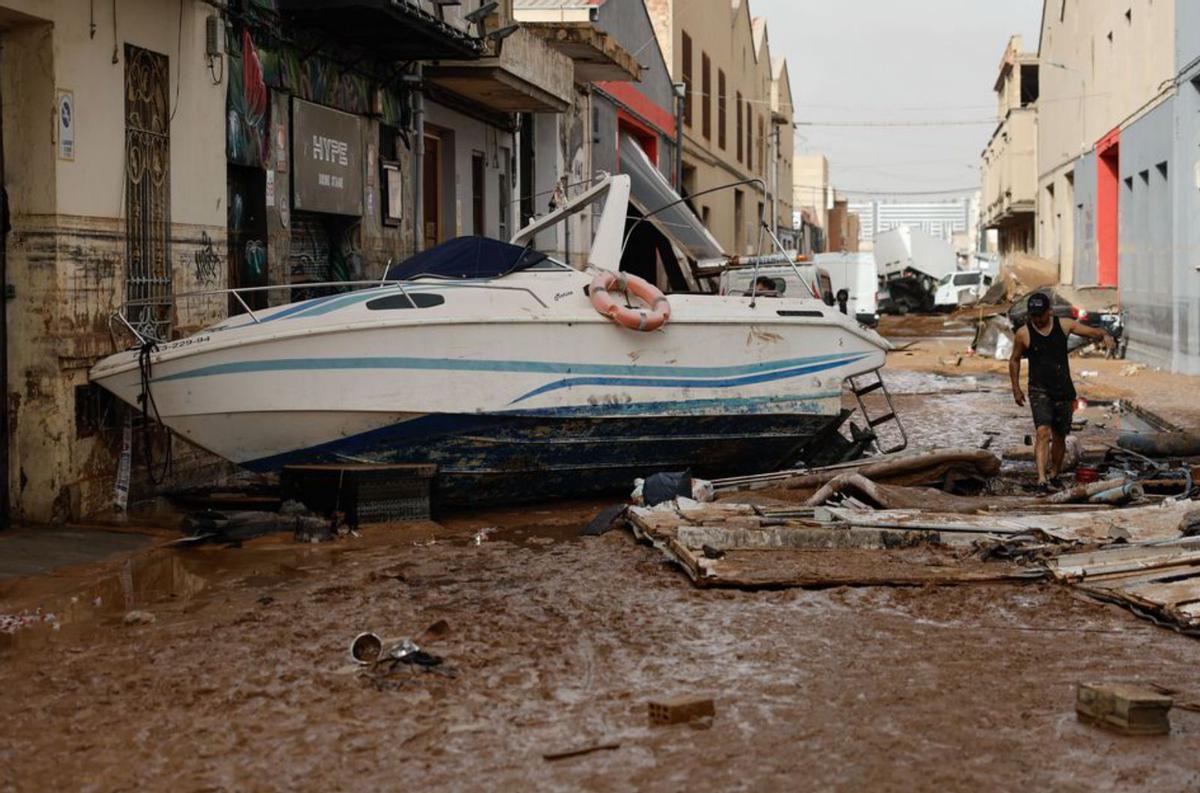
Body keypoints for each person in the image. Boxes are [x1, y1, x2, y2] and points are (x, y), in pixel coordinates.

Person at [1009, 292, 1115, 490]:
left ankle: (1054, 474)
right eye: (1033, 316)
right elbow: (1014, 359)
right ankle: (1041, 479)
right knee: (1042, 432)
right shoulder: (1023, 334)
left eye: (1040, 315)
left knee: (1059, 436)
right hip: (1038, 389)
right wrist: (1016, 388)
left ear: (1049, 311)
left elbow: (1091, 332)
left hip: (1063, 389)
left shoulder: (1064, 325)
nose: (1037, 320)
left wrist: (1105, 335)